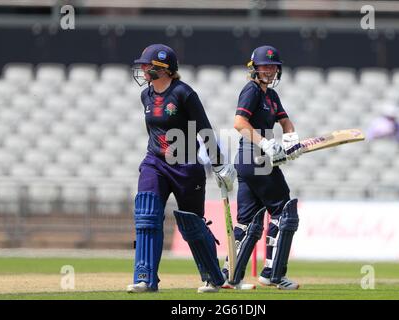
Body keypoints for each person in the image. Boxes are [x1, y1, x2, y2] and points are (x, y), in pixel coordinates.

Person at [126, 44, 236, 293]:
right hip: (155, 162)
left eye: (148, 65)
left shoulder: (184, 93)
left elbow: (204, 129)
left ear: (164, 69)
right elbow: (155, 132)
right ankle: (145, 277)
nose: (143, 69)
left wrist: (219, 164)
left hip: (186, 167)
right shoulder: (146, 95)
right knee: (147, 214)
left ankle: (212, 277)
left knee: (192, 224)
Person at [223, 45, 303, 290]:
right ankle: (273, 274)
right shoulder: (252, 90)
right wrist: (267, 143)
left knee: (248, 221)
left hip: (251, 162)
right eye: (264, 66)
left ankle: (230, 276)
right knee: (284, 212)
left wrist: (290, 137)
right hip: (254, 157)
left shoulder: (271, 95)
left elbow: (285, 121)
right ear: (254, 68)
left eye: (273, 67)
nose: (269, 70)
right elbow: (239, 122)